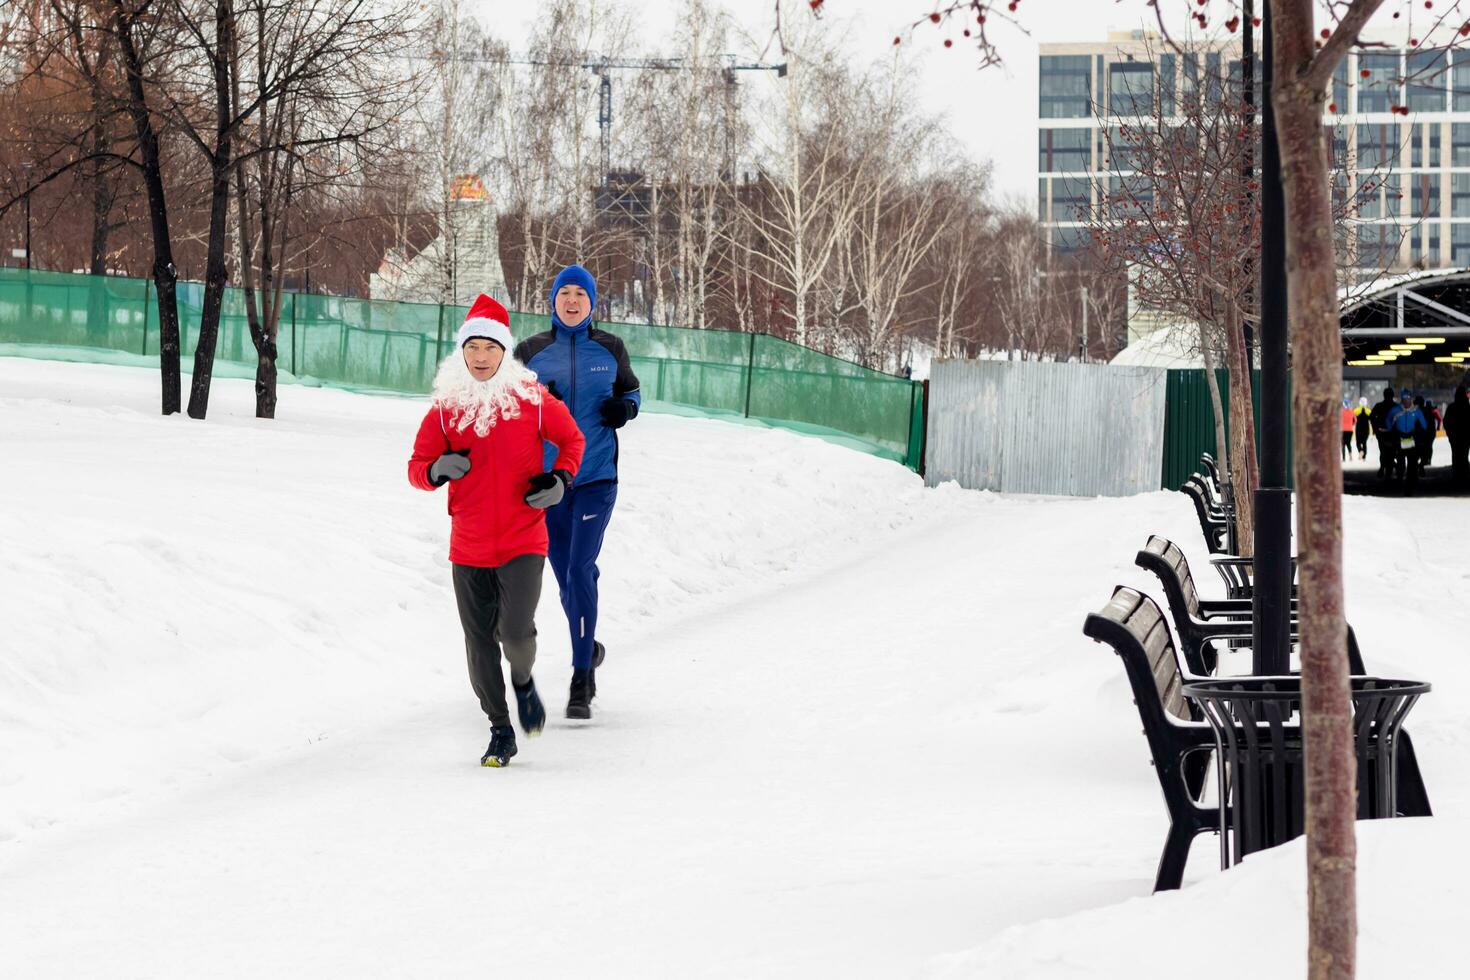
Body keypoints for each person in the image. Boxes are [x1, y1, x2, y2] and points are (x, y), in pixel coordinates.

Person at [408, 294, 585, 767]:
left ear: (504, 352)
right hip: (468, 545)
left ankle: (523, 680)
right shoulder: (447, 409)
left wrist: (560, 480)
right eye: (473, 347)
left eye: (490, 347)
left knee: (514, 633)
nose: (481, 357)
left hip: (524, 538)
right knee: (478, 642)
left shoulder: (533, 401)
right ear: (461, 352)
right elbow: (416, 467)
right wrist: (436, 469)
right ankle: (500, 728)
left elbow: (572, 440)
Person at [515, 264, 641, 720]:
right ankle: (589, 644)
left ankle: (581, 674)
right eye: (564, 293)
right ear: (553, 301)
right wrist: (536, 406)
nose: (571, 301)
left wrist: (624, 407)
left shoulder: (610, 347)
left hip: (596, 478)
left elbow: (634, 392)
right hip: (549, 484)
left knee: (580, 568)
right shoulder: (530, 351)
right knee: (566, 574)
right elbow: (507, 408)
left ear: (592, 302)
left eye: (580, 295)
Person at [1385, 387, 1428, 492]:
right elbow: (1388, 419)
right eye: (1404, 399)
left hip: (1412, 437)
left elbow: (1424, 424)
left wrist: (1422, 434)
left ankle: (1411, 481)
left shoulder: (1416, 410)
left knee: (1412, 462)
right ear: (1401, 399)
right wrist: (1390, 429)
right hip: (1400, 437)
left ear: (1411, 399)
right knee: (1400, 461)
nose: (1406, 401)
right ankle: (1400, 479)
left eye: (1408, 398)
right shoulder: (1396, 409)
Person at [1444, 385, 1470, 489]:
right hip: (1464, 437)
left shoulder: (1452, 407)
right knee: (1463, 455)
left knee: (1456, 456)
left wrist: (1450, 433)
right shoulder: (1467, 408)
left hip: (1455, 436)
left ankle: (1458, 475)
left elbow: (1446, 422)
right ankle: (1464, 475)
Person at [1369, 386, 1397, 480]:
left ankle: (1383, 467)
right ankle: (1389, 466)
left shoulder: (1379, 406)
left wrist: (1375, 429)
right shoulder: (1396, 406)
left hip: (1382, 433)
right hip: (1392, 433)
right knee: (1391, 452)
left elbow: (1372, 417)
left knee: (1383, 451)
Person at [1354, 396, 1372, 460]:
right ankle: (1364, 457)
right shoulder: (1369, 411)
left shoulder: (1356, 410)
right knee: (1364, 443)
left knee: (1358, 442)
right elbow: (1372, 420)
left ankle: (1360, 450)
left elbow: (1353, 420)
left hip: (1359, 428)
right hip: (1366, 428)